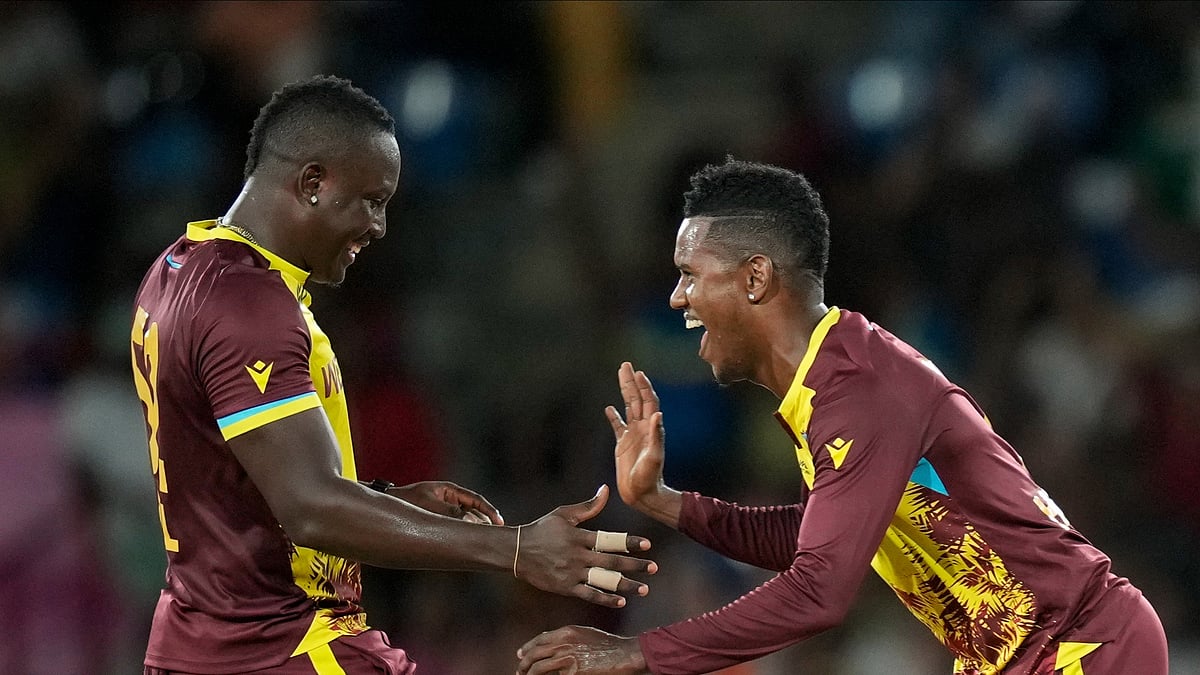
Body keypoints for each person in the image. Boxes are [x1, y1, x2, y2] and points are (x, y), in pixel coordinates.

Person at [517, 158, 1168, 674]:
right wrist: (663, 503)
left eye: (691, 274)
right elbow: (814, 538)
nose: (676, 296)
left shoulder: (859, 392)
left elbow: (818, 590)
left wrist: (639, 651)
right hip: (1020, 655)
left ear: (754, 278)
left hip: (1082, 648)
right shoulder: (833, 378)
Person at [129, 75, 656, 675]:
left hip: (200, 642)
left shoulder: (179, 266)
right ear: (312, 183)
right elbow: (309, 508)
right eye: (372, 201)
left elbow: (233, 475)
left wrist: (383, 500)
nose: (378, 227)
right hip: (282, 648)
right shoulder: (252, 305)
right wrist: (513, 549)